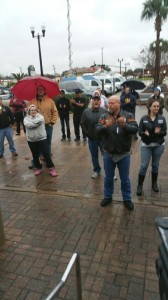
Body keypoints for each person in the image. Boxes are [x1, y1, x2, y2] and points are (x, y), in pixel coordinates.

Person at [96, 95, 138, 211]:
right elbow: (97, 130)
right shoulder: (104, 116)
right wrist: (106, 125)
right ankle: (107, 196)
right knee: (108, 178)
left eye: (112, 103)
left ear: (118, 104)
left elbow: (135, 129)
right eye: (108, 103)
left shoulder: (128, 115)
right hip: (108, 154)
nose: (109, 105)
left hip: (123, 154)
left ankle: (127, 199)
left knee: (125, 179)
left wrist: (124, 125)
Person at [136, 99, 167, 196]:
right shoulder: (144, 118)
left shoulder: (162, 118)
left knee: (155, 165)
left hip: (158, 145)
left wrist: (159, 132)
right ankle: (140, 186)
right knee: (144, 165)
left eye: (158, 106)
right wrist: (144, 134)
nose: (156, 108)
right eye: (154, 106)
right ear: (150, 107)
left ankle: (154, 184)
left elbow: (165, 132)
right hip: (146, 145)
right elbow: (139, 131)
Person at [28, 85, 58, 169]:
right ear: (36, 91)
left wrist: (52, 122)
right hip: (36, 127)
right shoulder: (32, 101)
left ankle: (47, 160)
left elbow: (55, 112)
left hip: (48, 126)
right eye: (39, 89)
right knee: (36, 145)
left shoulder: (50, 101)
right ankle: (35, 161)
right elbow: (28, 113)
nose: (40, 91)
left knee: (47, 144)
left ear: (45, 91)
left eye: (42, 89)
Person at [24, 104, 57, 177]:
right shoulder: (26, 118)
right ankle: (38, 168)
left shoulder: (41, 117)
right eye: (31, 110)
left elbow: (36, 123)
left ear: (37, 111)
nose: (33, 111)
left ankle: (51, 168)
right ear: (29, 111)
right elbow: (28, 125)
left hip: (41, 138)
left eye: (34, 110)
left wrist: (32, 124)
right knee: (35, 155)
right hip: (31, 140)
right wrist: (34, 123)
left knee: (46, 154)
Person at [80, 94, 107, 178]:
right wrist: (87, 133)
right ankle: (97, 170)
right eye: (94, 100)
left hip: (103, 138)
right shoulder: (86, 112)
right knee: (94, 156)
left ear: (100, 101)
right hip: (92, 139)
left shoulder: (105, 111)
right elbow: (82, 123)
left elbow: (109, 123)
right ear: (92, 101)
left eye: (97, 100)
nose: (96, 101)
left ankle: (109, 172)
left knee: (106, 156)